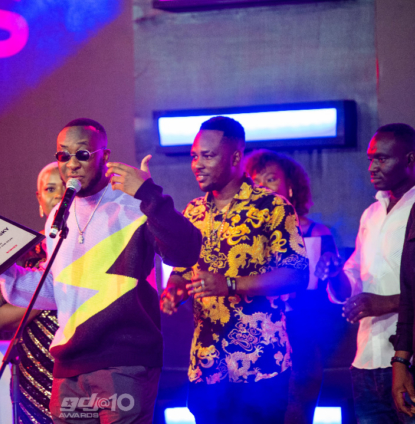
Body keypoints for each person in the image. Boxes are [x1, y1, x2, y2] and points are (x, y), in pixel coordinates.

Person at [0, 118, 202, 423]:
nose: (72, 164)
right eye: (63, 155)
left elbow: (186, 252)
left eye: (82, 154)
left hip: (123, 362)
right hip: (69, 369)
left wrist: (150, 195)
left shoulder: (133, 203)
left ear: (104, 156)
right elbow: (56, 290)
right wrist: (2, 269)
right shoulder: (58, 217)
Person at [160, 116, 309, 424]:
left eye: (208, 156)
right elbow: (181, 272)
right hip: (206, 366)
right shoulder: (193, 211)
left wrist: (229, 284)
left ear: (236, 157)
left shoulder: (273, 207)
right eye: (194, 156)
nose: (198, 165)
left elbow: (296, 274)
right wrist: (174, 291)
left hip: (261, 368)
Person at [316, 123, 415, 423]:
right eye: (371, 159)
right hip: (367, 361)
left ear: (410, 159)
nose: (372, 167)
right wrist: (334, 274)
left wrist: (385, 303)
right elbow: (354, 282)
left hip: (408, 359)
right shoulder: (370, 214)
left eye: (382, 159)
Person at [246, 149, 340, 424]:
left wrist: (331, 268)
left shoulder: (316, 233)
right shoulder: (243, 236)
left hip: (301, 338)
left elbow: (335, 290)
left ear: (291, 186)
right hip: (255, 340)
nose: (262, 186)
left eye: (271, 179)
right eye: (255, 180)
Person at [0, 162, 63, 424]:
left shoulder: (87, 245)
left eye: (65, 188)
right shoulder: (23, 250)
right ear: (39, 198)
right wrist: (55, 294)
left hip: (83, 366)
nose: (58, 195)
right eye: (50, 189)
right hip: (34, 372)